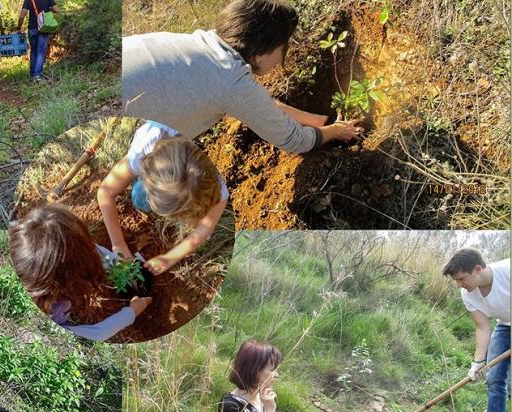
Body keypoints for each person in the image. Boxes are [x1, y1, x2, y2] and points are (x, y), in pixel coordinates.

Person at [122, 0, 363, 155]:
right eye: (283, 47)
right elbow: (295, 140)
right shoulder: (229, 80)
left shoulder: (202, 47)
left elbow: (258, 103)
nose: (281, 59)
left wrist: (316, 121)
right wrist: (335, 131)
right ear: (259, 54)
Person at [98, 121, 228, 276]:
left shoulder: (220, 182)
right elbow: (105, 193)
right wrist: (118, 245)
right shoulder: (147, 141)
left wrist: (169, 258)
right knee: (140, 197)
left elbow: (205, 228)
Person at [9, 204, 153, 341]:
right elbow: (97, 333)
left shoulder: (20, 236)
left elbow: (91, 250)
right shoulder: (42, 322)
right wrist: (132, 312)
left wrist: (120, 265)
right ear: (66, 279)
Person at [218, 340, 346, 412]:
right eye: (272, 369)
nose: (277, 375)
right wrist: (269, 411)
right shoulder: (231, 407)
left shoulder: (259, 396)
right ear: (255, 371)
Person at [442, 249, 510, 412]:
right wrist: (477, 362)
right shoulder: (468, 293)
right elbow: (482, 327)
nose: (459, 284)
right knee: (494, 377)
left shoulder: (508, 271)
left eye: (462, 278)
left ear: (478, 269)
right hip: (505, 326)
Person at [16, 0, 60, 81]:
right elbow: (57, 10)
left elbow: (23, 14)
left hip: (32, 28)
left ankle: (32, 74)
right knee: (41, 51)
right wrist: (50, 9)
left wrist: (19, 27)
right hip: (43, 28)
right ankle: (37, 75)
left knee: (33, 51)